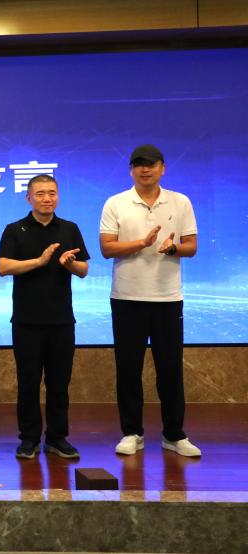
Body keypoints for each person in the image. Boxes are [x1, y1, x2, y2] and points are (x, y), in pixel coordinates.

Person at [100, 144, 200, 457]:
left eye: (151, 164)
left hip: (168, 298)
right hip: (126, 297)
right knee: (128, 369)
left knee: (170, 369)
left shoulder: (180, 201)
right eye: (139, 164)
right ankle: (132, 432)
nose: (145, 169)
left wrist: (173, 248)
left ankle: (174, 434)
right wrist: (141, 243)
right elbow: (107, 248)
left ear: (162, 168)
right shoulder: (116, 202)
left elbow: (191, 246)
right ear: (131, 170)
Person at [0, 174, 89, 460]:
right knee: (28, 384)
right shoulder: (15, 229)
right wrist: (39, 262)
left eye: (51, 193)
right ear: (29, 198)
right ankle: (29, 439)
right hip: (26, 321)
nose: (47, 198)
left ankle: (58, 438)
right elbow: (2, 267)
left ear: (58, 196)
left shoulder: (69, 228)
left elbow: (83, 270)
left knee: (59, 384)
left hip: (62, 320)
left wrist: (69, 264)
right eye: (40, 194)